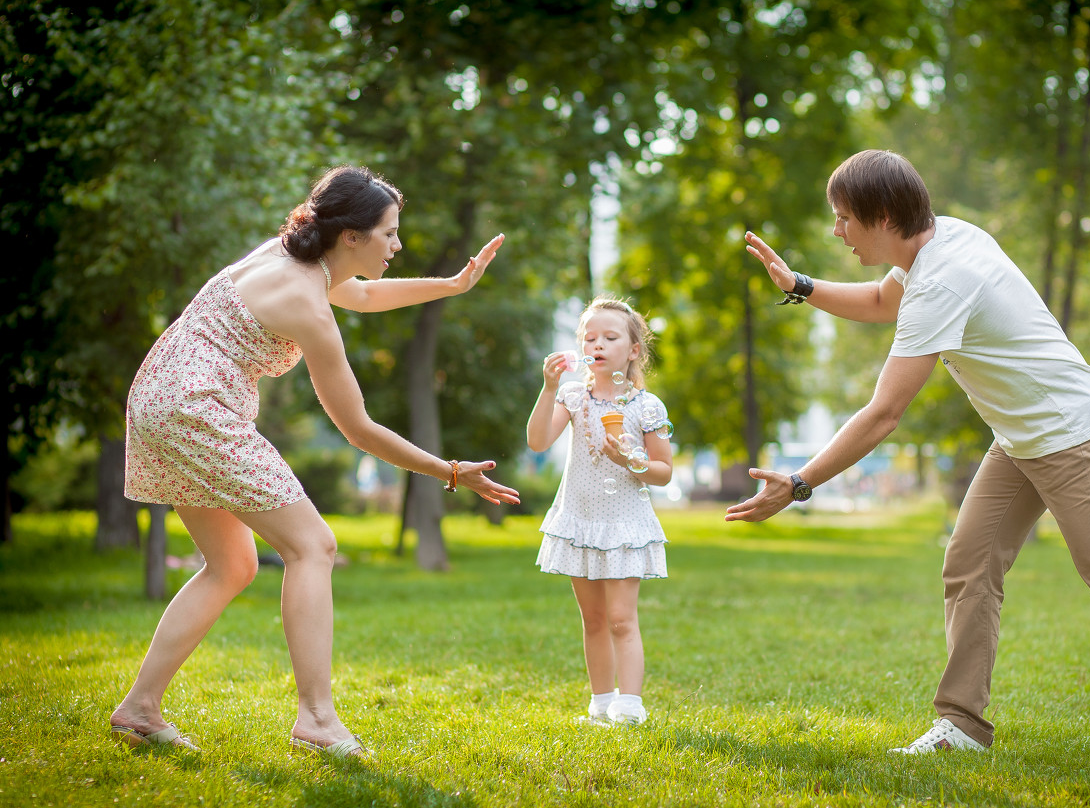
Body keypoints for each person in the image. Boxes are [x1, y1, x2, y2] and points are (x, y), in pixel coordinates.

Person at [725, 149, 1090, 771]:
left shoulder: (944, 279)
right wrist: (801, 287)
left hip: (1071, 432)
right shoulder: (939, 240)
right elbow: (877, 301)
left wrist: (798, 482)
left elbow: (883, 414)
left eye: (843, 218)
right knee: (970, 561)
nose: (836, 231)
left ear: (886, 215)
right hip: (1022, 437)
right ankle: (962, 724)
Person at [110, 165, 520, 758]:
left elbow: (366, 294)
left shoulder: (294, 260)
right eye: (389, 233)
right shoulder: (306, 303)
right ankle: (317, 719)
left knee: (231, 565)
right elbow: (359, 429)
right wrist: (451, 472)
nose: (398, 245)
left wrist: (454, 285)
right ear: (351, 235)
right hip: (196, 410)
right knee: (313, 546)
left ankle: (140, 708)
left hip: (159, 398)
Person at [526, 296, 674, 725]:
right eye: (590, 337)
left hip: (624, 524)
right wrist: (549, 387)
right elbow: (537, 442)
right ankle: (601, 702)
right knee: (592, 619)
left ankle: (630, 705)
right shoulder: (573, 396)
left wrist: (631, 461)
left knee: (622, 620)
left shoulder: (647, 406)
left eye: (610, 337)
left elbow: (663, 472)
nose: (598, 344)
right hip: (580, 519)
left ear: (633, 351)